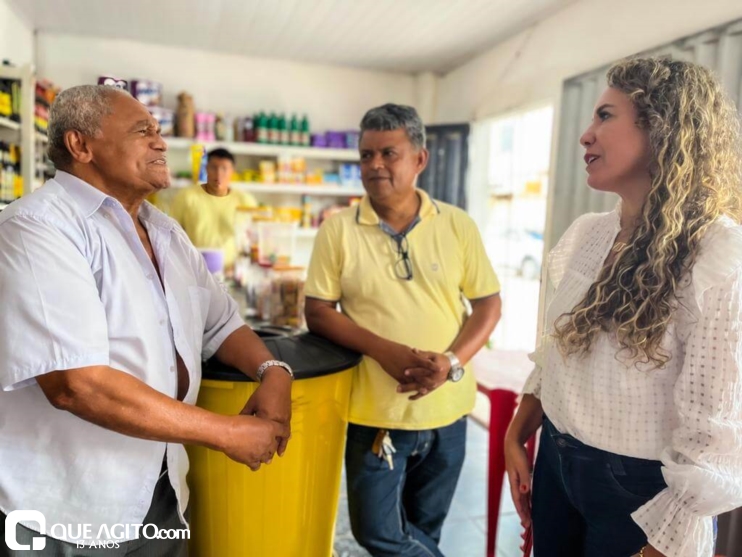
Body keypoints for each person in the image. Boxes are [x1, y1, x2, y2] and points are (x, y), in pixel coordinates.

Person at [0, 85, 293, 556]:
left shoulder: (166, 231)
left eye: (158, 131)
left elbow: (221, 322)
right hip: (68, 508)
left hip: (161, 489)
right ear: (81, 146)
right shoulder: (38, 227)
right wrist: (225, 432)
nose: (160, 142)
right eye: (143, 132)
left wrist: (273, 371)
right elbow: (76, 383)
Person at [504, 57, 742, 557]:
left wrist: (664, 543)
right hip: (556, 462)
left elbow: (716, 435)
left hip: (641, 495)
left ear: (663, 128)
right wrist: (517, 432)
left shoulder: (720, 255)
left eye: (605, 116)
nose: (585, 135)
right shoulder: (587, 235)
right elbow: (558, 354)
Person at [305, 103, 502, 557]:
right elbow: (318, 310)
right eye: (366, 155)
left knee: (425, 529)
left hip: (449, 410)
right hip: (375, 414)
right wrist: (384, 351)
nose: (374, 165)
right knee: (377, 532)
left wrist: (450, 362)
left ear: (420, 159)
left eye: (388, 153)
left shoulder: (456, 224)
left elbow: (488, 303)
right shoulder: (338, 230)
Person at [169, 147, 257, 273]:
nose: (219, 173)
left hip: (232, 273)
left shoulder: (245, 201)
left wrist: (241, 266)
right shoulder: (186, 197)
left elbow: (253, 240)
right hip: (193, 271)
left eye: (224, 168)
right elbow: (172, 234)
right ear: (206, 168)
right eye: (213, 167)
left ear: (232, 171)